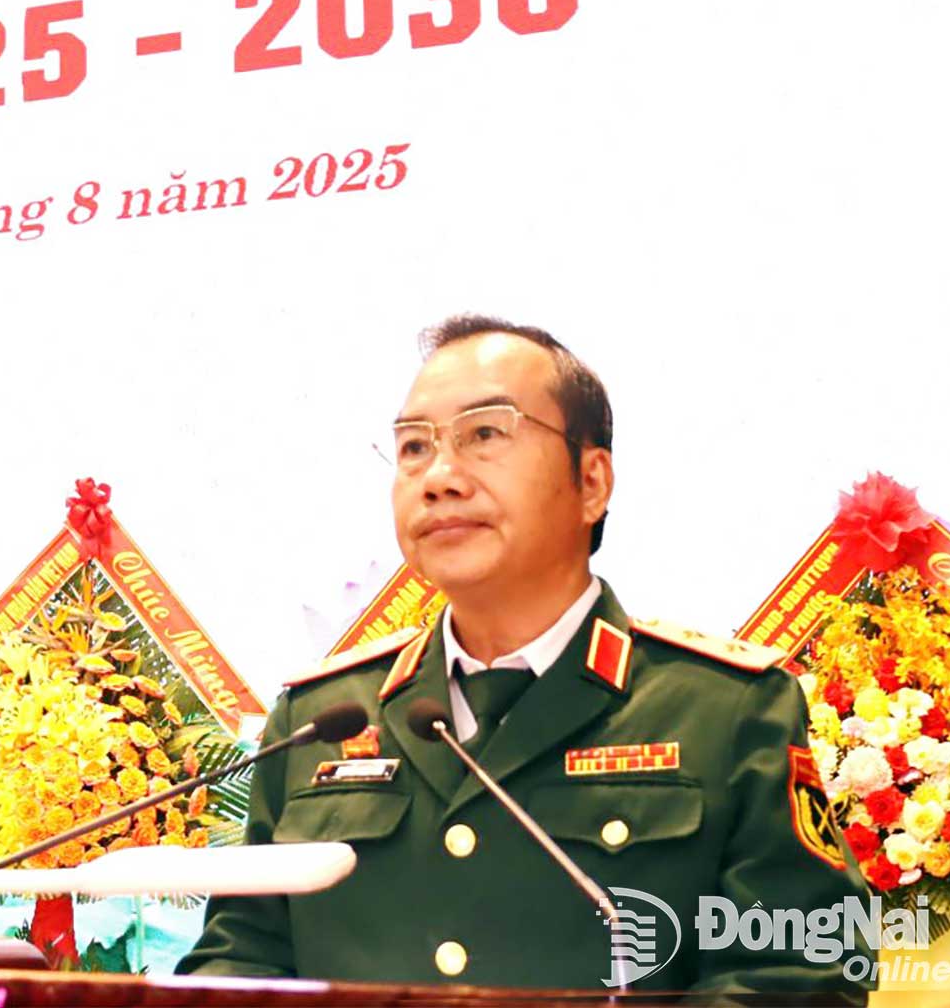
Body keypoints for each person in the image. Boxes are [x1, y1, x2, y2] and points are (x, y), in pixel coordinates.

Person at [179, 315, 872, 1000]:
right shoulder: (322, 719)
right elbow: (240, 959)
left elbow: (804, 972)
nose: (439, 477)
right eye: (414, 446)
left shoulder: (725, 708)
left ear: (592, 482)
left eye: (485, 434)